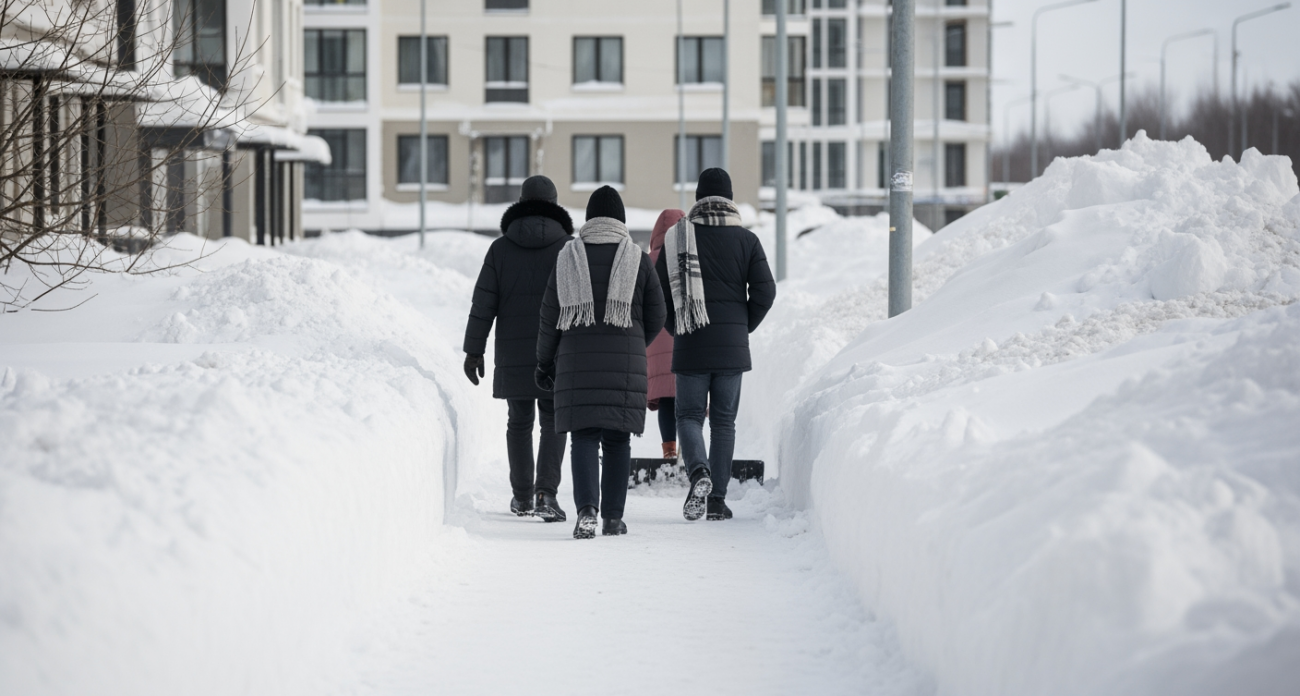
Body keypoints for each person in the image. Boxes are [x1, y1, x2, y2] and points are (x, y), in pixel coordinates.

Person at [536, 186, 666, 539]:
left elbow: (550, 317)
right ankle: (612, 517)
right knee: (617, 441)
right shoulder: (636, 259)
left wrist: (544, 362)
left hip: (576, 365)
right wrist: (636, 342)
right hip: (625, 367)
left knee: (583, 438)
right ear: (620, 219)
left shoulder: (568, 257)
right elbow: (658, 313)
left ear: (589, 218)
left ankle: (587, 511)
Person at [654, 168, 776, 522]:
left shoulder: (678, 236)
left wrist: (677, 327)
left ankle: (699, 473)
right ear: (730, 198)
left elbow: (657, 295)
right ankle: (717, 501)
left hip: (691, 342)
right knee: (724, 423)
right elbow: (766, 292)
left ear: (697, 198)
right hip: (731, 348)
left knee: (689, 416)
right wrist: (742, 326)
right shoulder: (747, 240)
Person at [463, 175, 572, 522]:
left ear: (522, 202)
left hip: (513, 353)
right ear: (554, 205)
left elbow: (483, 304)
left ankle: (522, 496)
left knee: (519, 421)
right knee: (554, 421)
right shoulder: (568, 248)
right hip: (556, 352)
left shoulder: (500, 249)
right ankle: (546, 493)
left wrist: (473, 350)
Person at [646, 209, 686, 462]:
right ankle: (690, 452)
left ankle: (669, 451)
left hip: (655, 338)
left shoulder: (647, 261)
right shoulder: (690, 257)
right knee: (688, 400)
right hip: (686, 337)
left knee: (667, 399)